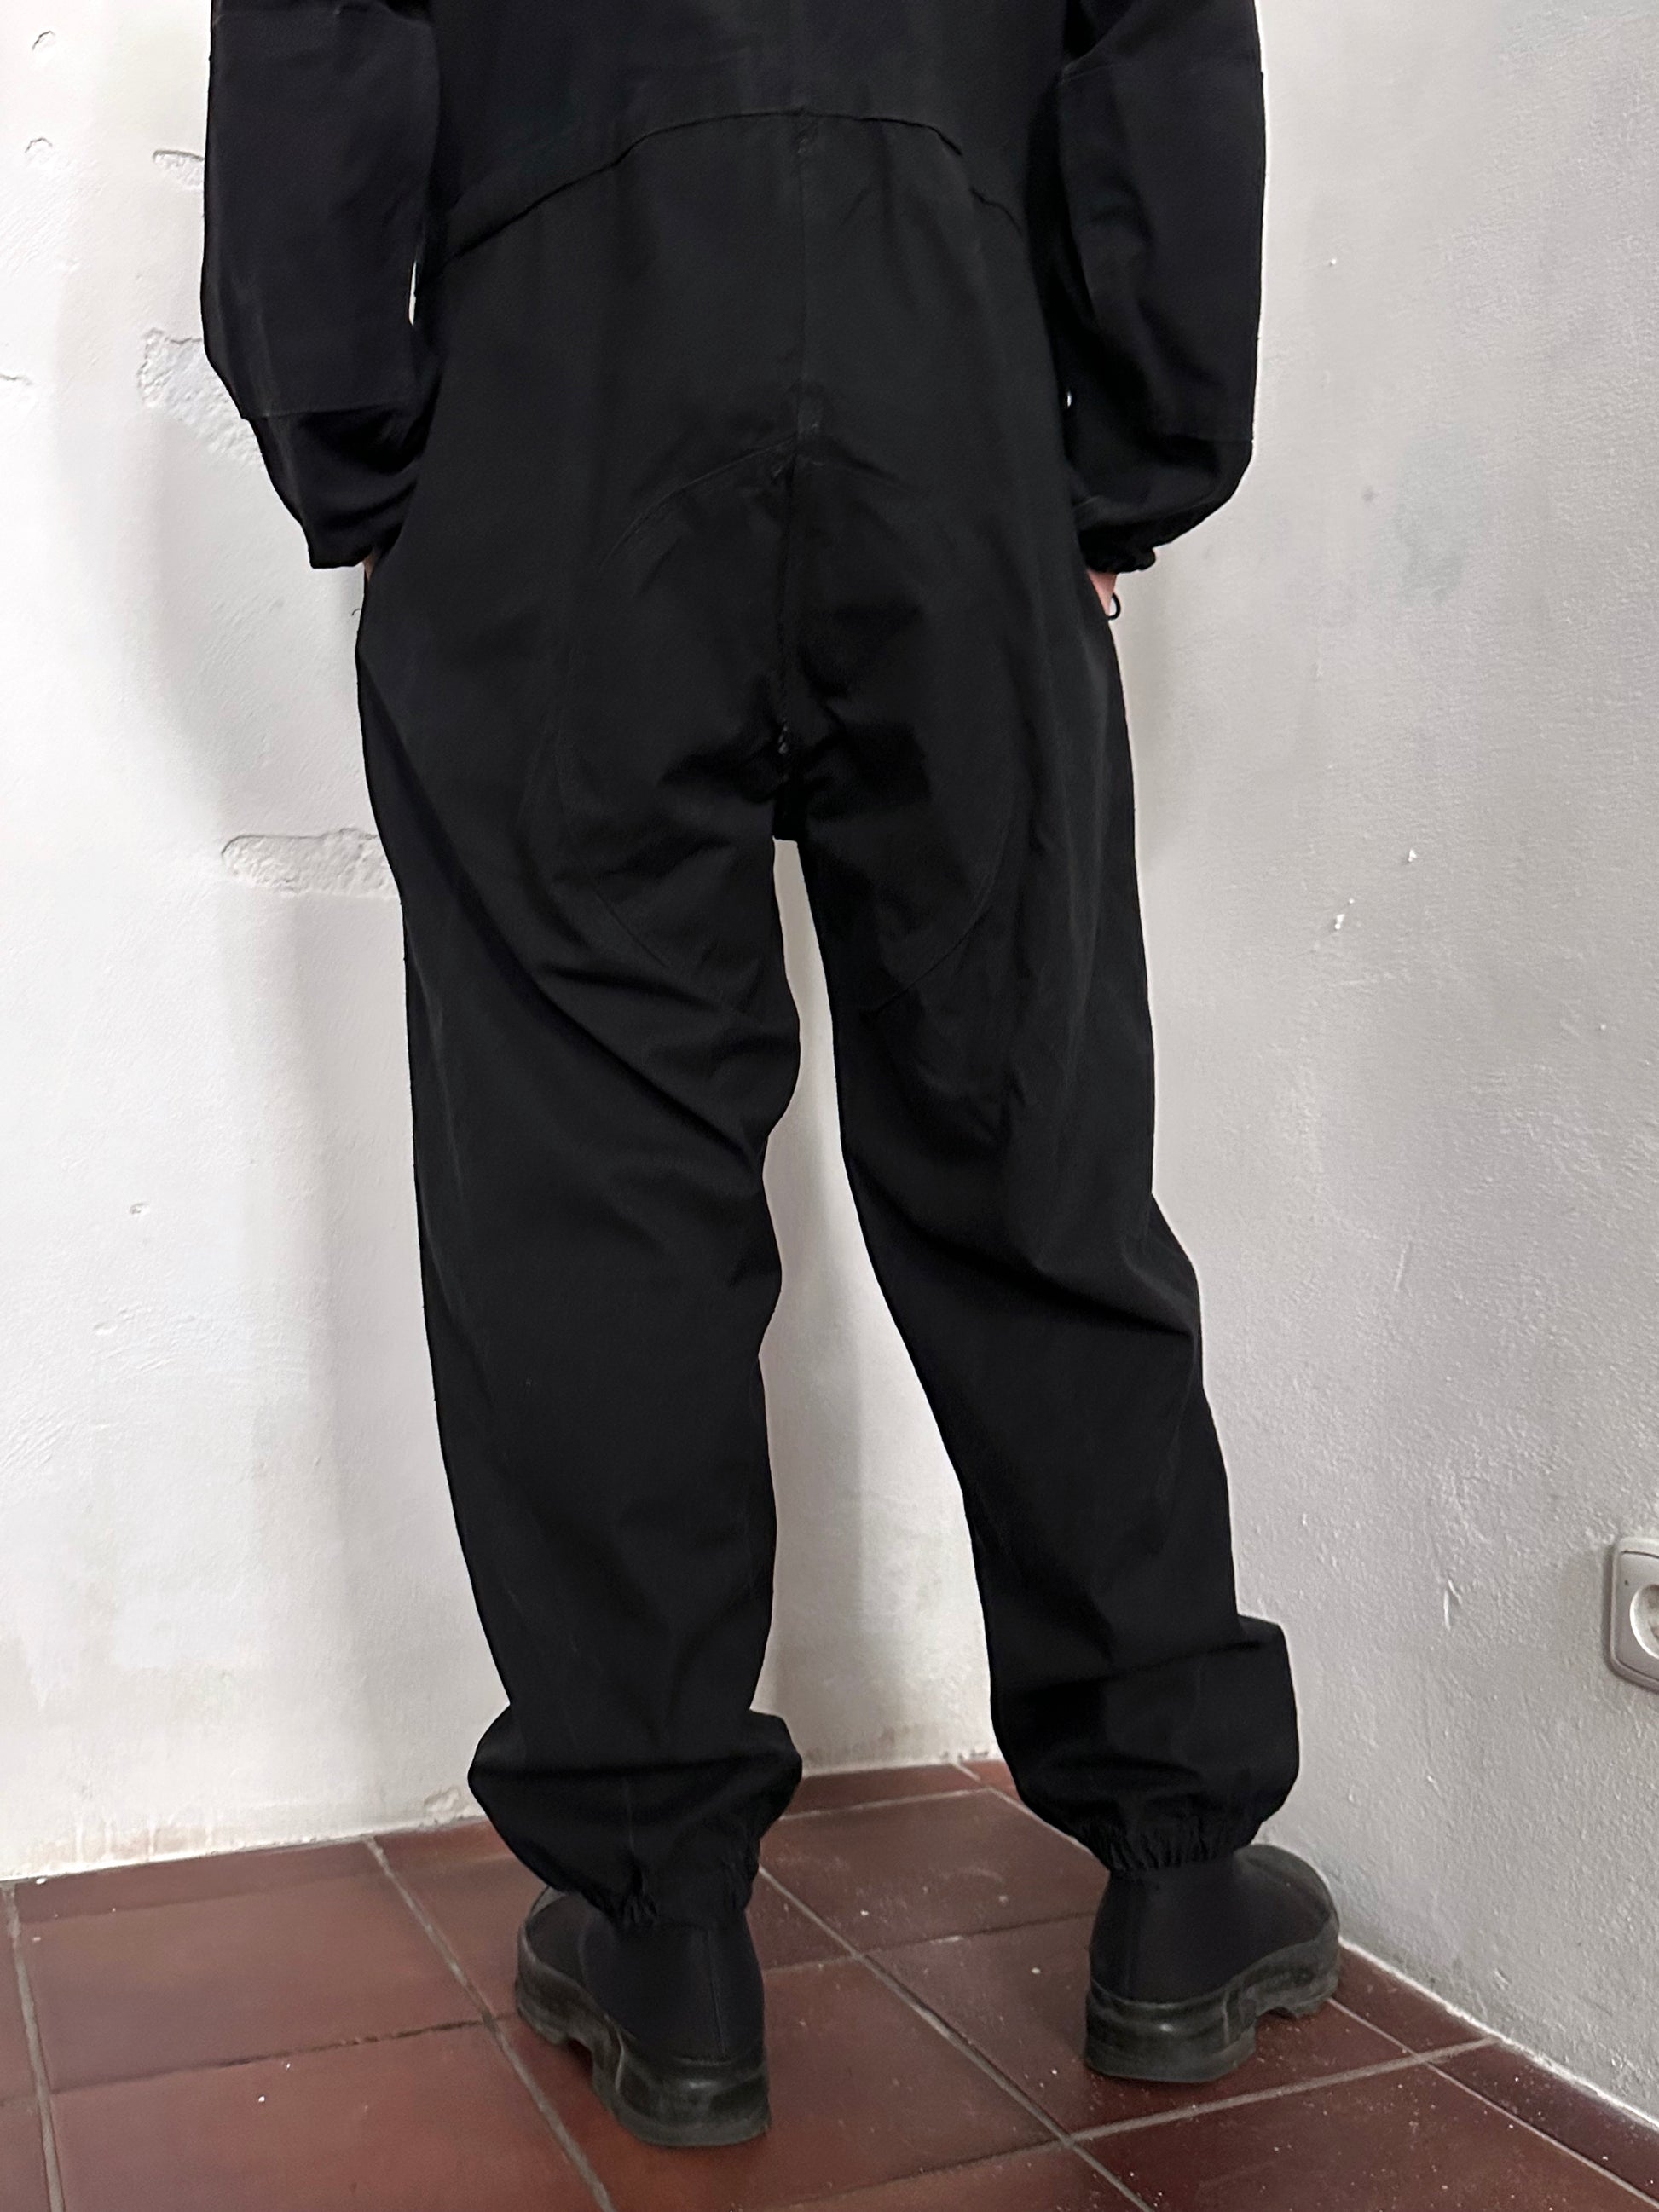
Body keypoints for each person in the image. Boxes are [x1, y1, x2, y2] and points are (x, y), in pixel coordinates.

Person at [202, 0, 1337, 2147]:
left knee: (586, 1167)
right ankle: (1178, 1871)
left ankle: (663, 1925)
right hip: (950, 358)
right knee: (1028, 1130)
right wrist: (1131, 445)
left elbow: (321, 29)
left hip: (556, 376)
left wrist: (355, 432)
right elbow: (1155, 36)